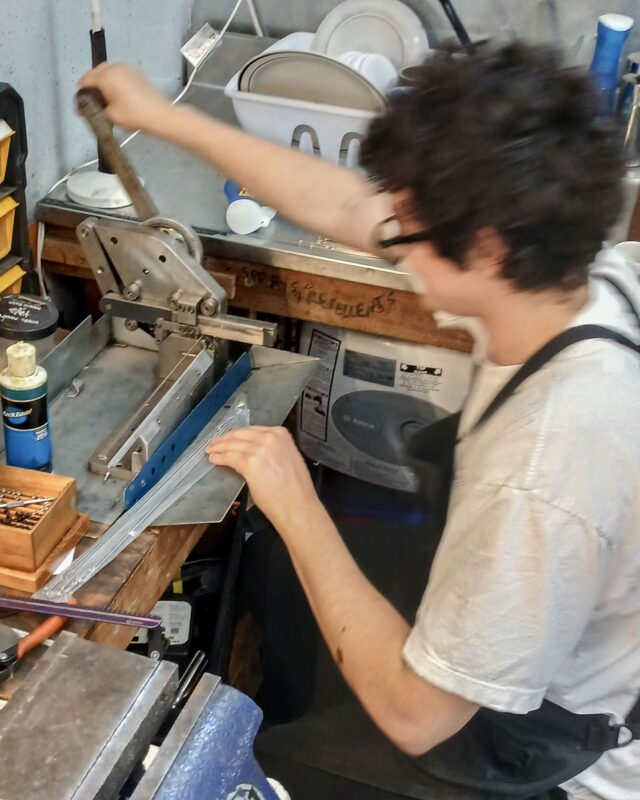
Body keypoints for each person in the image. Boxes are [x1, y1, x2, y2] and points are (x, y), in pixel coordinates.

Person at [80, 42, 640, 800]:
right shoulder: (574, 268)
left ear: (485, 250)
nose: (389, 239)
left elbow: (418, 716)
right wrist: (159, 116)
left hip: (540, 753)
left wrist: (298, 503)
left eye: (408, 231)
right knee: (274, 573)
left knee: (259, 760)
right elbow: (348, 206)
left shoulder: (545, 464)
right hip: (522, 611)